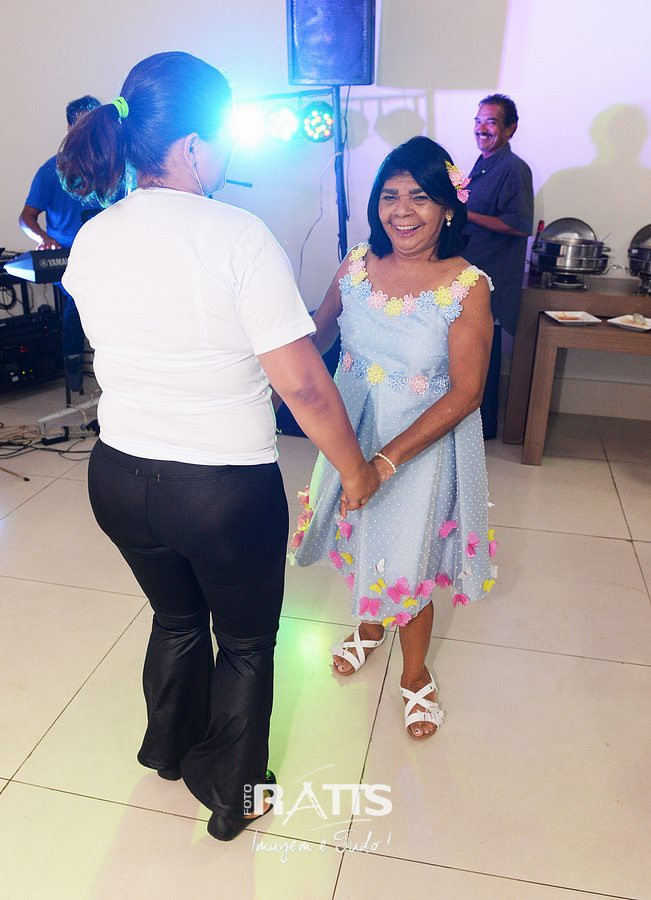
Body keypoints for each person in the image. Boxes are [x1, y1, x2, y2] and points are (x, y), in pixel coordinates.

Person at [56, 51, 379, 841]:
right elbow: (303, 386)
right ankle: (234, 795)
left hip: (117, 477)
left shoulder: (94, 235)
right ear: (195, 145)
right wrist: (355, 470)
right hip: (220, 491)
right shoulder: (236, 234)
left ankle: (168, 750)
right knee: (243, 643)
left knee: (174, 617)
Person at [291, 136, 497, 740]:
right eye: (390, 196)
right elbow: (318, 333)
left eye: (420, 197)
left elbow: (467, 393)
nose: (402, 211)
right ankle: (369, 625)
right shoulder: (357, 263)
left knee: (409, 553)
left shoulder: (466, 286)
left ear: (448, 209)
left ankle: (414, 674)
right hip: (351, 430)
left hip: (417, 446)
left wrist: (385, 461)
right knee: (360, 533)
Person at [19, 95, 102, 393]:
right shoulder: (51, 170)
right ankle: (72, 360)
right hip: (69, 258)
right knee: (77, 299)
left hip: (105, 254)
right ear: (70, 128)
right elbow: (26, 218)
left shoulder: (110, 166)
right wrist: (45, 239)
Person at [463, 94, 534, 439]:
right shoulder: (483, 164)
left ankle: (484, 425)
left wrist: (467, 214)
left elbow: (519, 225)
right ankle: (472, 420)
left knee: (483, 352)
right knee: (472, 350)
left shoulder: (513, 168)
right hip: (472, 273)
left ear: (510, 128)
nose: (482, 129)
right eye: (478, 121)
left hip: (492, 277)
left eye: (491, 122)